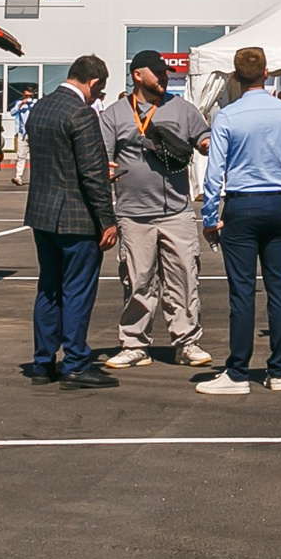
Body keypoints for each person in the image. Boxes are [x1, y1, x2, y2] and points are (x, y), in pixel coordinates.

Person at [195, 45, 281, 396]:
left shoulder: (227, 117)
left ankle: (237, 372)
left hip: (241, 207)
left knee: (243, 291)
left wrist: (208, 217)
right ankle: (277, 370)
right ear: (266, 73)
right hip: (277, 204)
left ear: (234, 77)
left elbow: (214, 174)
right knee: (279, 287)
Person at [96, 49, 215, 371]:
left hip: (176, 212)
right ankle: (134, 344)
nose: (165, 77)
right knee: (137, 281)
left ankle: (187, 342)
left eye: (166, 72)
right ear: (138, 75)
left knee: (184, 278)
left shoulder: (182, 109)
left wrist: (205, 142)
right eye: (158, 72)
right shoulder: (115, 114)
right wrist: (105, 171)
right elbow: (102, 156)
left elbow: (203, 135)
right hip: (133, 214)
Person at [22, 54, 120, 389]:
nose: (99, 97)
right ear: (93, 82)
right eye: (100, 91)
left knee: (48, 288)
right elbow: (92, 174)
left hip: (42, 213)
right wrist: (107, 220)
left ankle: (42, 362)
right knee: (77, 290)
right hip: (76, 218)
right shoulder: (81, 113)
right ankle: (76, 363)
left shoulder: (42, 107)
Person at [8, 88, 39, 184]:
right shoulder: (20, 104)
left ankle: (37, 178)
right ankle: (18, 177)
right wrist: (22, 104)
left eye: (30, 96)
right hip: (23, 133)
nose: (28, 98)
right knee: (21, 156)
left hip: (34, 133)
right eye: (26, 96)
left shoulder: (36, 103)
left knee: (37, 156)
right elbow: (12, 113)